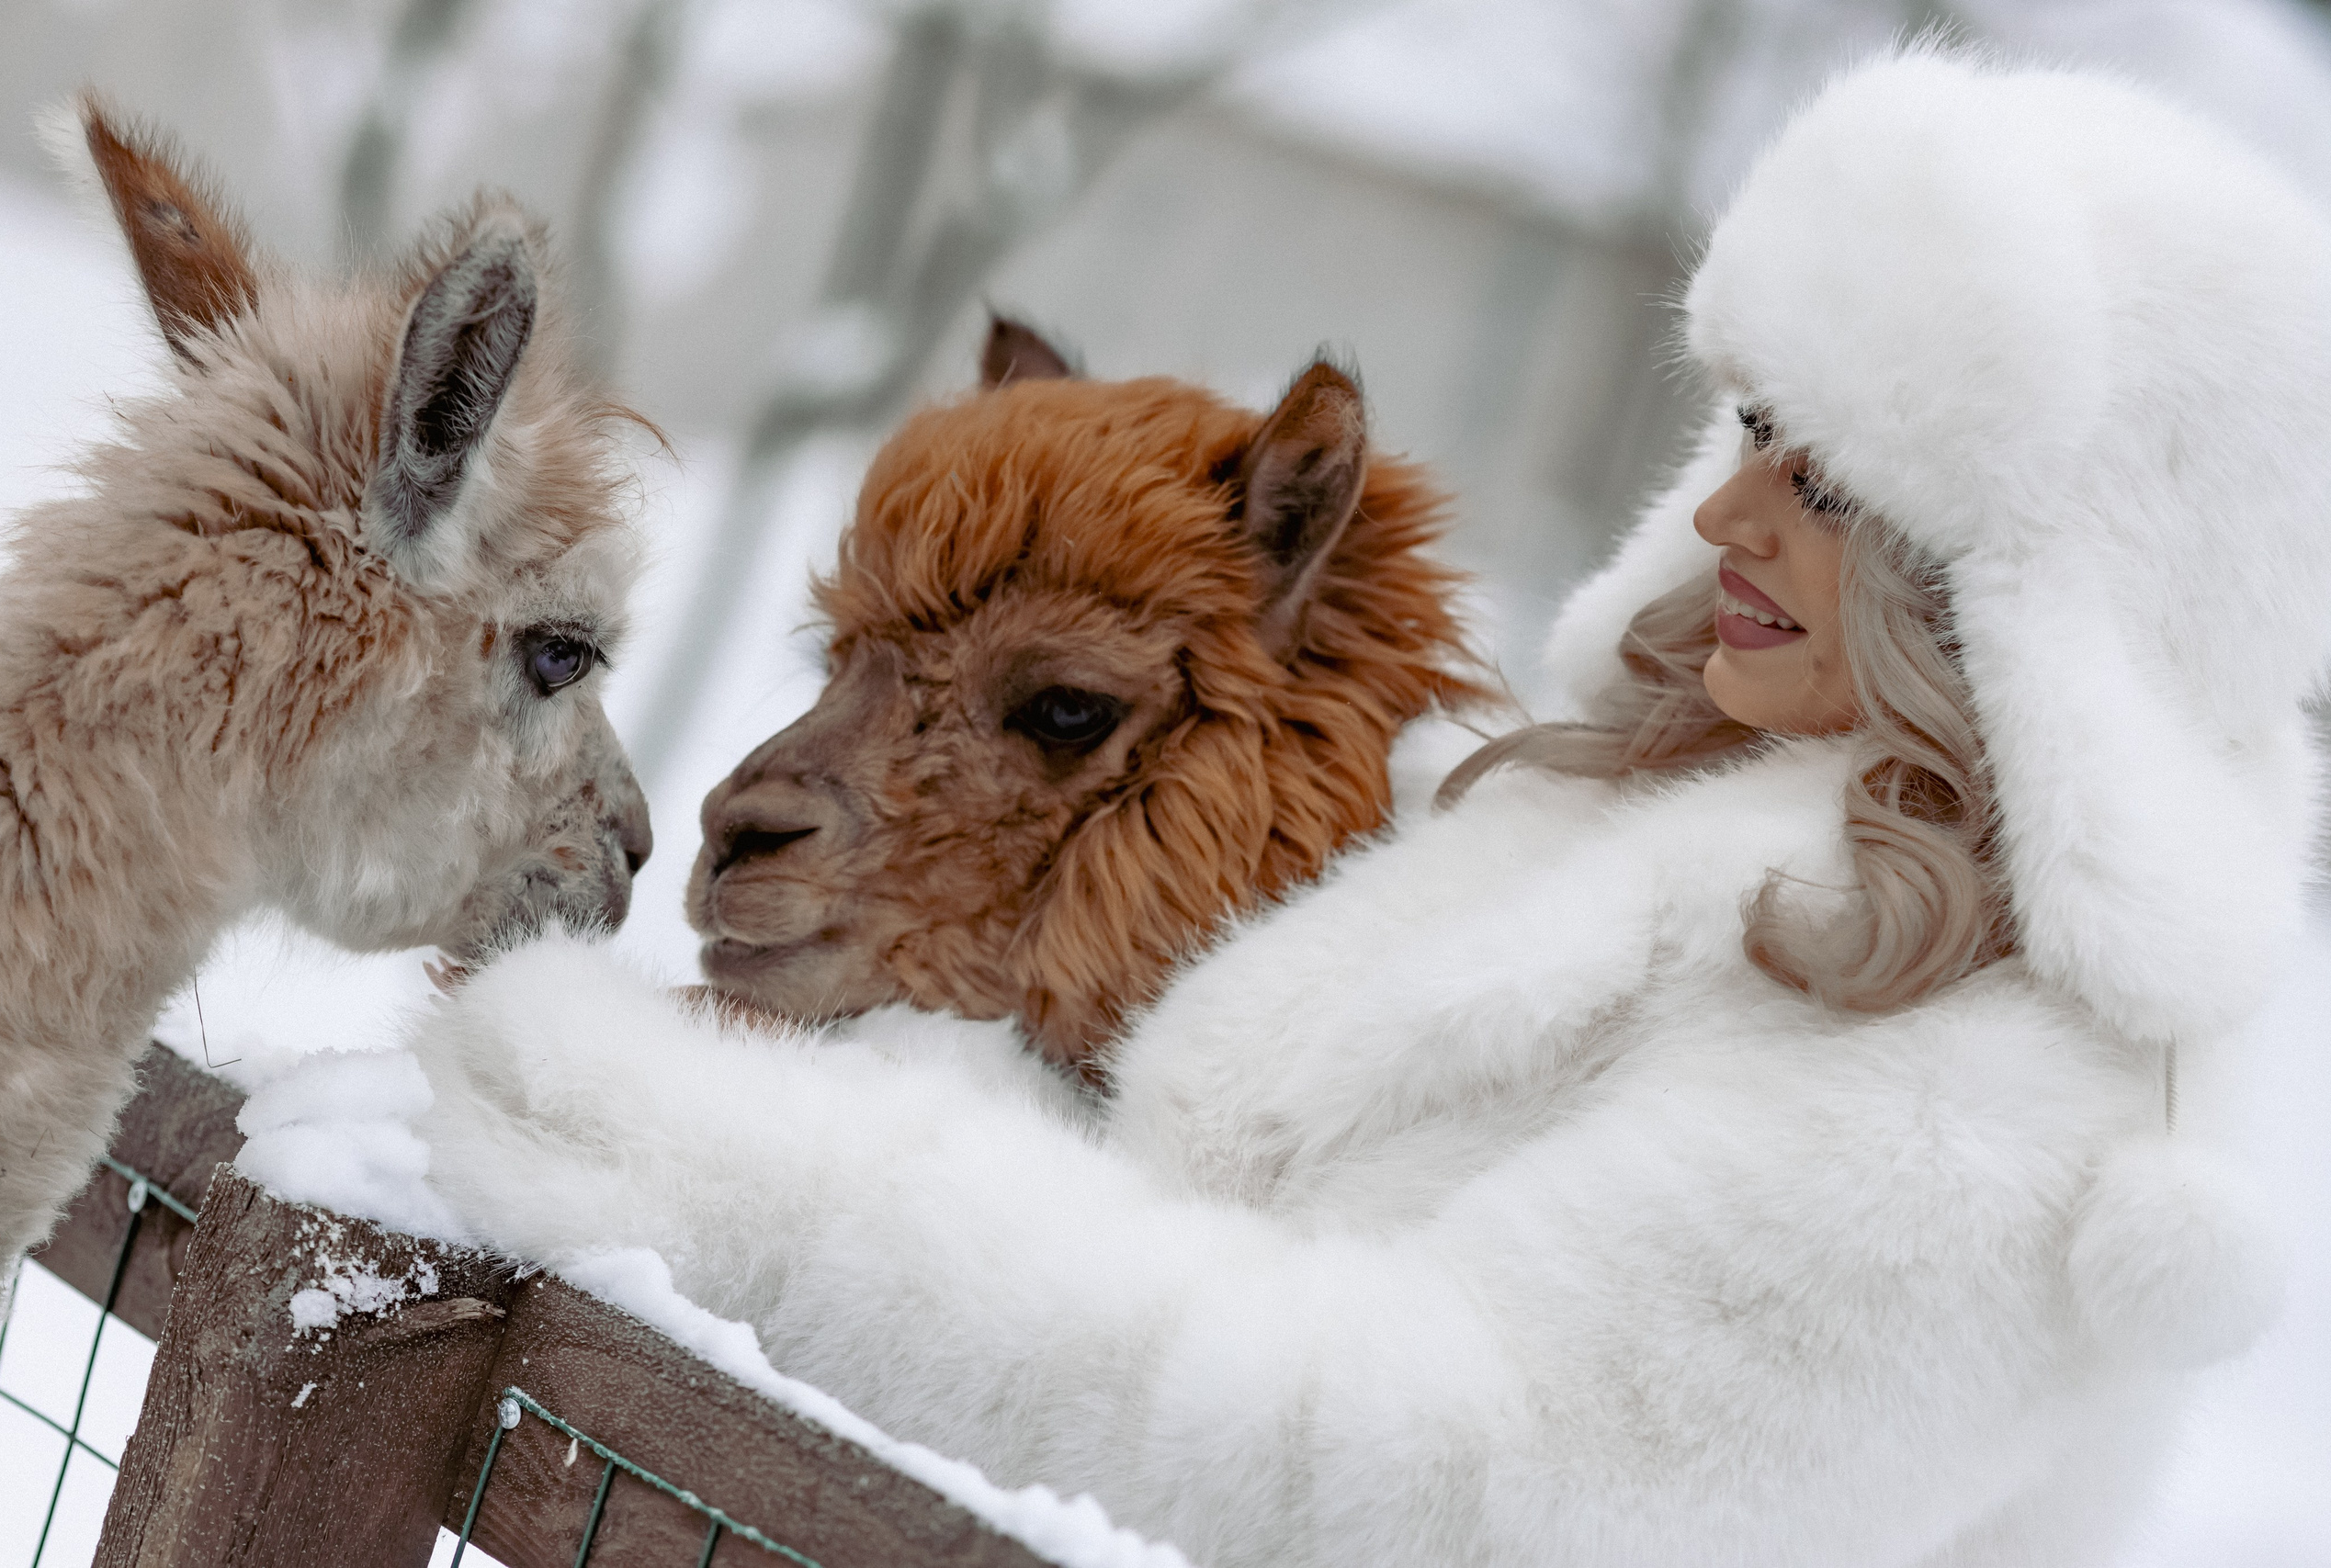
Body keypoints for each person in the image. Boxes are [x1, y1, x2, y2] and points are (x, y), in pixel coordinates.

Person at [371, 51, 2331, 1566]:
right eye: (1745, 427)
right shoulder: (1629, 825)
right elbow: (1223, 1200)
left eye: (1828, 479)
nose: (1731, 510)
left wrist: (762, 1193)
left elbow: (1449, 1492)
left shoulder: (1983, 1108)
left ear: (2028, 581)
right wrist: (858, 1075)